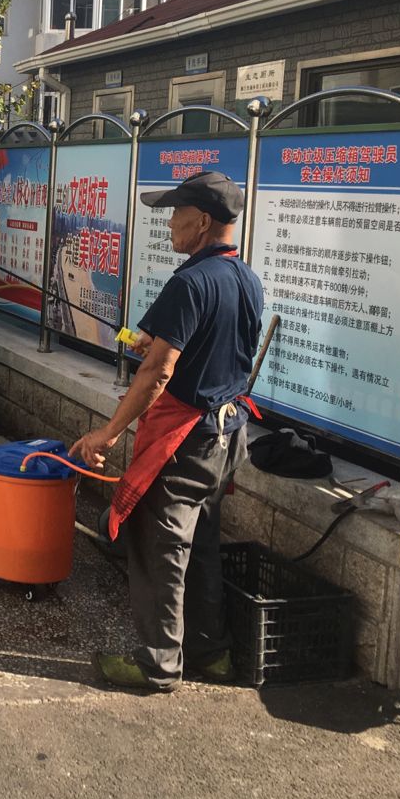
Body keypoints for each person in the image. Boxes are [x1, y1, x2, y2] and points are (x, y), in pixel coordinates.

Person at [70, 170, 262, 692]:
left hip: (186, 441)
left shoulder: (189, 283)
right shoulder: (246, 278)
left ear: (201, 222)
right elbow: (210, 349)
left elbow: (158, 373)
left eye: (176, 213)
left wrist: (109, 432)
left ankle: (159, 664)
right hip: (227, 437)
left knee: (160, 547)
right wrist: (155, 345)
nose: (169, 222)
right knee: (199, 545)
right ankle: (211, 654)